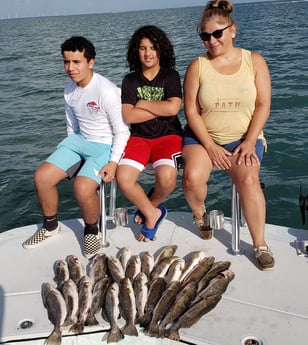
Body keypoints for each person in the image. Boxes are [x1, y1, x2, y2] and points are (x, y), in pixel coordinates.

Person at [182, 0, 274, 270]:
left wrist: (249, 141)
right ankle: (200, 214)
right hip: (203, 137)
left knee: (248, 179)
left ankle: (259, 245)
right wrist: (210, 146)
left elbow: (263, 105)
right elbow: (191, 111)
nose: (211, 40)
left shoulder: (254, 61)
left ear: (233, 30)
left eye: (217, 33)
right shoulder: (197, 66)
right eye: (205, 36)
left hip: (245, 137)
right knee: (192, 177)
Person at [22, 36, 130, 259]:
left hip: (104, 145)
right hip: (79, 141)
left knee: (82, 187)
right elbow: (72, 124)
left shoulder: (107, 91)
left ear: (91, 62)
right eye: (66, 62)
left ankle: (92, 231)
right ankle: (51, 227)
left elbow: (122, 131)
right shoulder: (69, 88)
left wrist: (113, 161)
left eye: (76, 62)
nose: (70, 68)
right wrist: (73, 154)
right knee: (42, 177)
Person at [116, 25, 183, 242]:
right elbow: (129, 117)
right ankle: (153, 213)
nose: (147, 53)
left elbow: (173, 109)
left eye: (152, 47)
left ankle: (149, 206)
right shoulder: (130, 80)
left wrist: (143, 103)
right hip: (139, 139)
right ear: (136, 51)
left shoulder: (170, 76)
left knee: (166, 179)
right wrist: (158, 107)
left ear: (161, 50)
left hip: (169, 136)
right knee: (124, 179)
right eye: (142, 48)